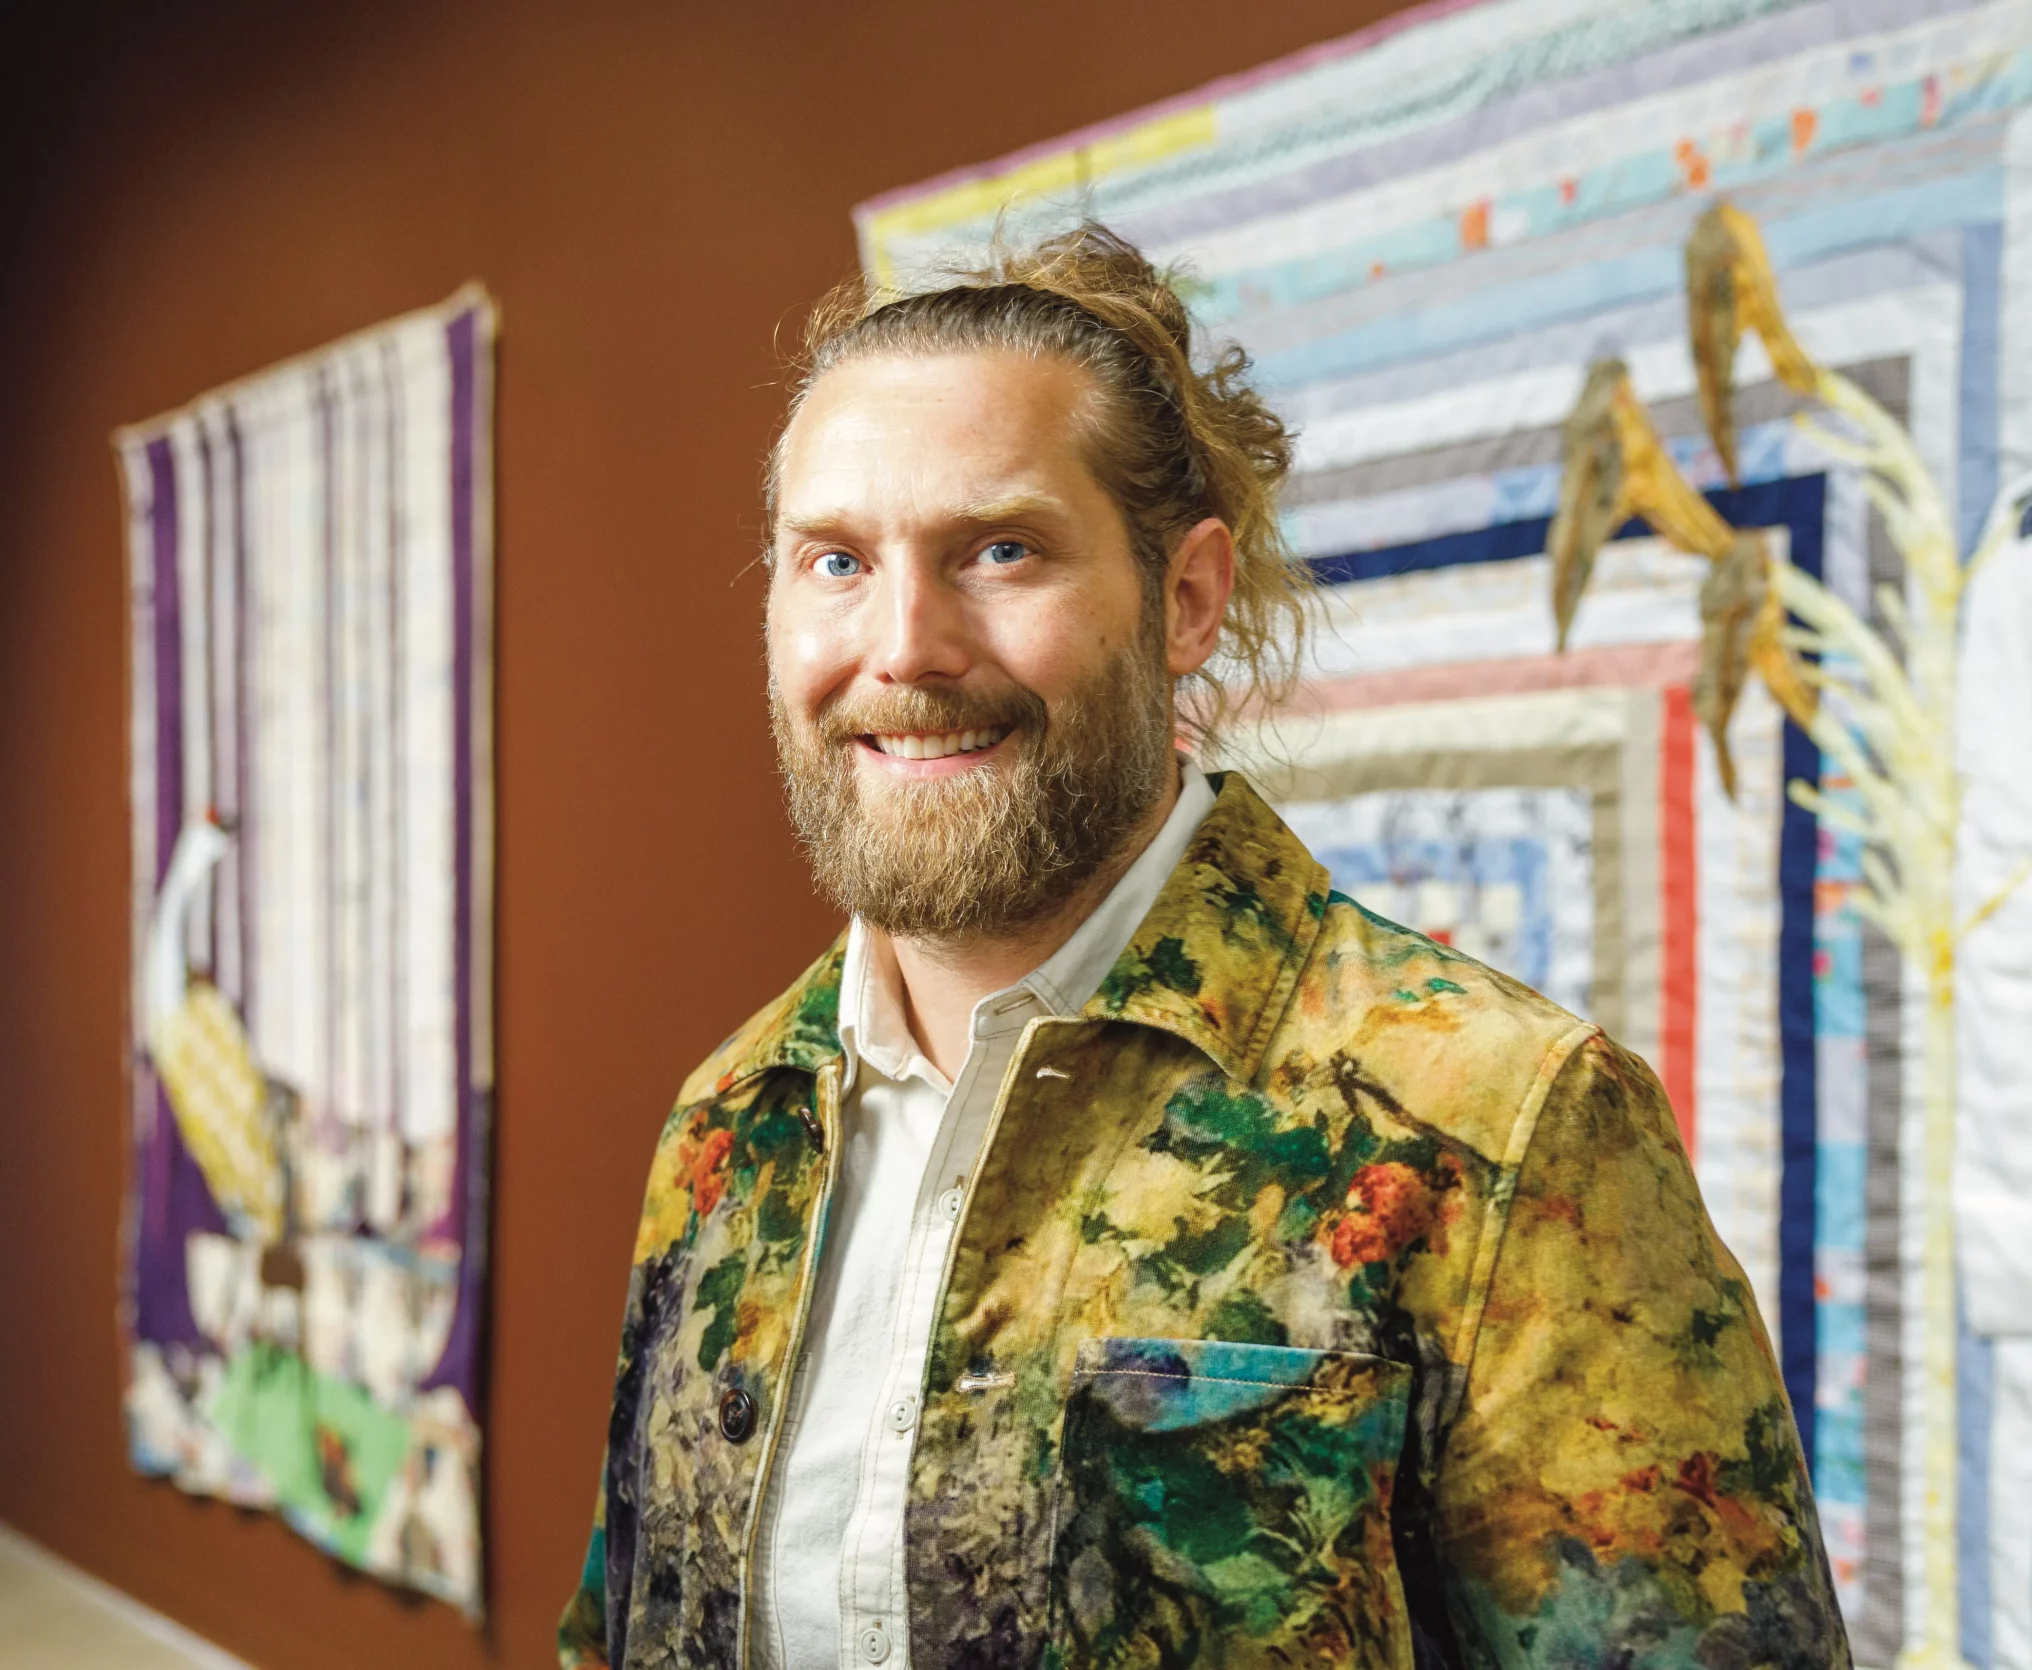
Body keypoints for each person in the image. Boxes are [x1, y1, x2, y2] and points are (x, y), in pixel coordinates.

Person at [555, 225, 1849, 1670]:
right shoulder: (729, 1127)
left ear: (1187, 598)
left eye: (1000, 549)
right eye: (837, 560)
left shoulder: (1494, 1127)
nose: (905, 645)